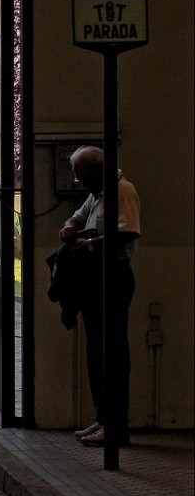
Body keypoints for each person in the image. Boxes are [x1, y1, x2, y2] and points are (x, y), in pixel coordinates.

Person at [58, 145, 141, 446]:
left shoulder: (122, 191)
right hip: (96, 278)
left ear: (97, 170)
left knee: (112, 350)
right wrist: (70, 228)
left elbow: (129, 231)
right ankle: (103, 418)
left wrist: (91, 244)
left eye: (82, 176)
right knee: (97, 351)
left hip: (115, 276)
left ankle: (116, 426)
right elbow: (76, 218)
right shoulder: (96, 195)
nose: (80, 182)